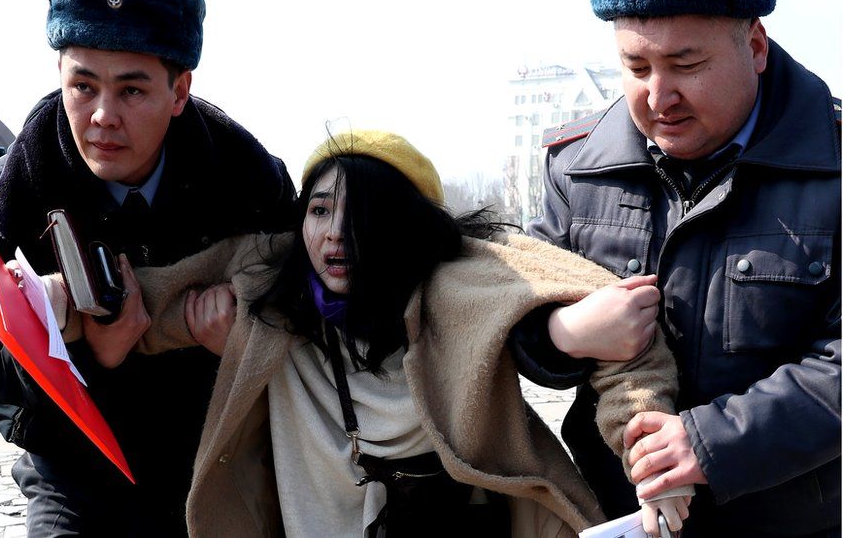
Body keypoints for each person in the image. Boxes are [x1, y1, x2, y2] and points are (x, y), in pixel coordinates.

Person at [46, 130, 685, 536]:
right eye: (320, 210)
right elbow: (143, 299)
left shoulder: (462, 283)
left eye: (363, 215)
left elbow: (625, 332)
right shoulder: (269, 279)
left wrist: (652, 458)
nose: (335, 234)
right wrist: (57, 301)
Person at [0, 0, 295, 535]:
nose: (103, 116)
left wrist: (244, 339)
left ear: (179, 91)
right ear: (60, 74)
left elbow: (307, 317)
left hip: (211, 464)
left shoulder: (251, 192)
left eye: (132, 89)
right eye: (83, 87)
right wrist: (81, 354)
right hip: (72, 469)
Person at [525, 0, 841, 535]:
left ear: (756, 45)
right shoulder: (575, 168)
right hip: (614, 514)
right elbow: (508, 309)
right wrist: (560, 333)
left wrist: (713, 441)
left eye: (686, 65)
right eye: (636, 66)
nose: (658, 96)